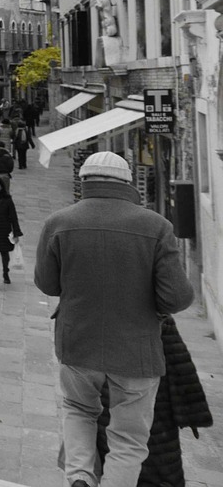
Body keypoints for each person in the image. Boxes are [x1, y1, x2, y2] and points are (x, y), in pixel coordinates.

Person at [35, 151, 195, 487]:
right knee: (129, 437)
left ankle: (79, 478)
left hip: (77, 341)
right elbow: (177, 298)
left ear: (85, 181)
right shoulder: (157, 227)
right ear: (127, 183)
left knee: (78, 409)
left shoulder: (59, 222)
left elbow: (47, 283)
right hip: (136, 351)